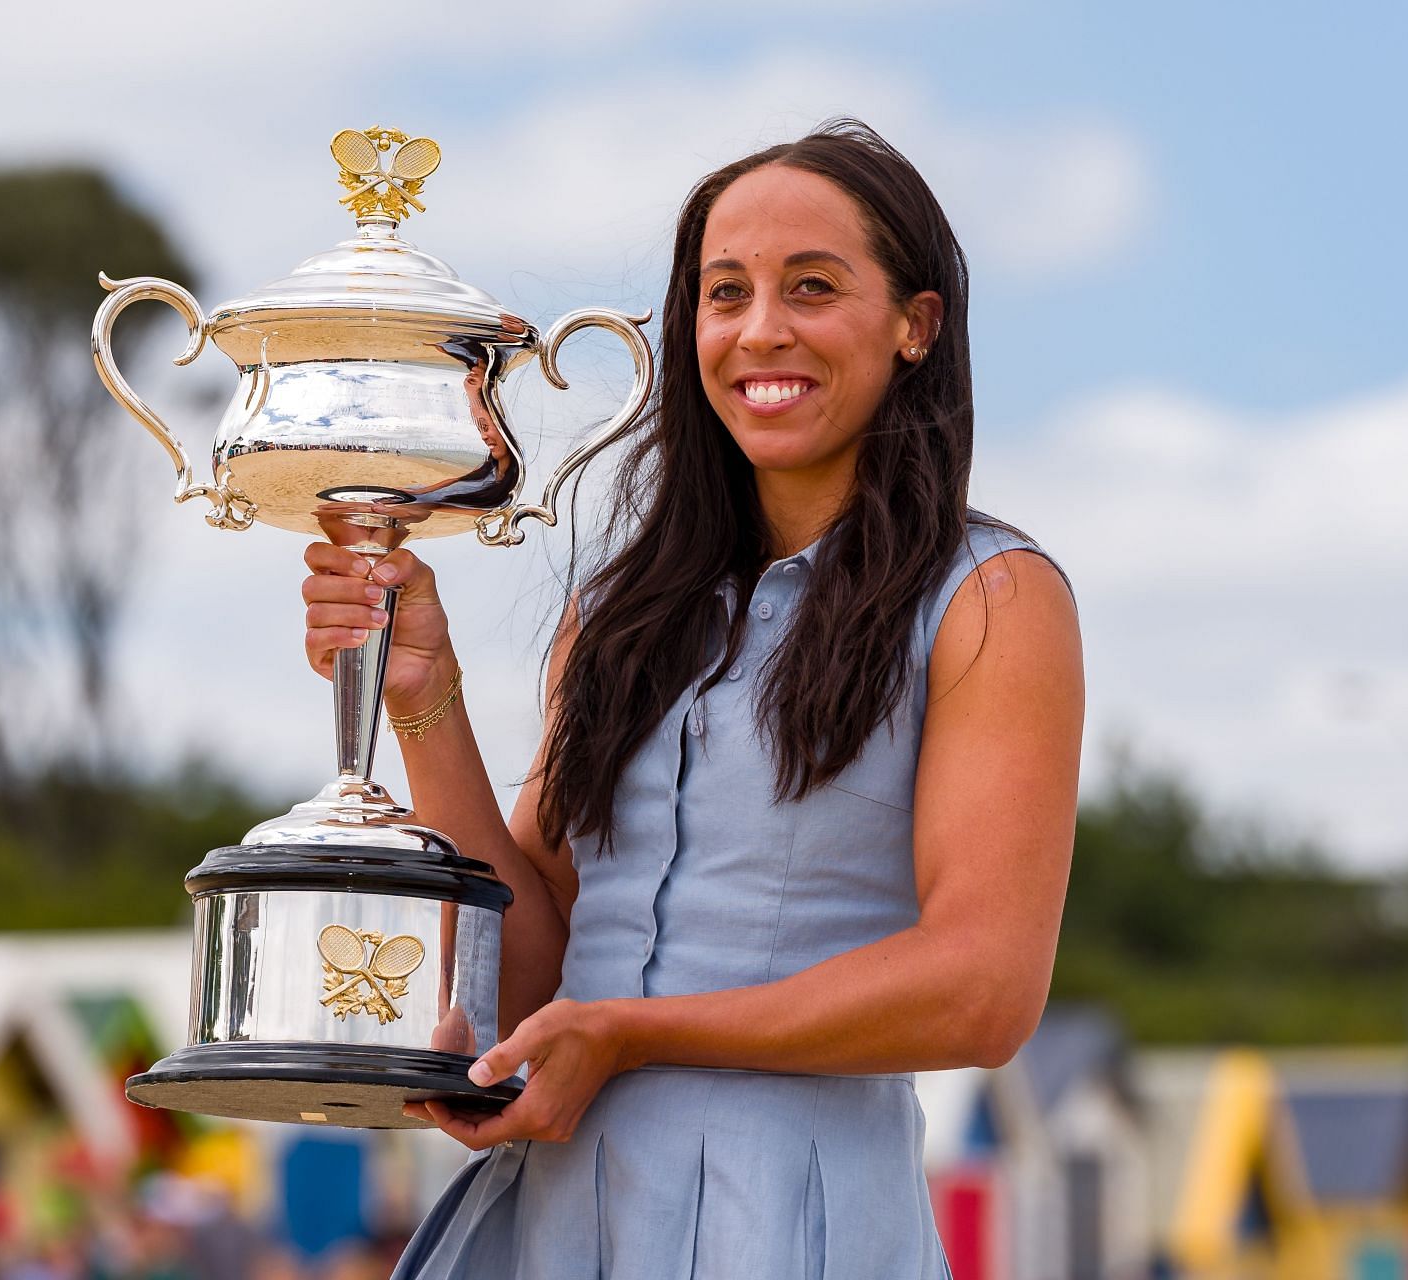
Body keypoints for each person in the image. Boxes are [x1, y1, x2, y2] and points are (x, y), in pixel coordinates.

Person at [299, 119, 1083, 1278]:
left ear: (915, 324)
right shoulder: (618, 614)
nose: (761, 329)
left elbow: (981, 990)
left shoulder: (992, 597)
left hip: (799, 1223)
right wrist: (426, 696)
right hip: (556, 1215)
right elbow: (532, 969)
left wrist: (625, 1032)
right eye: (727, 293)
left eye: (812, 288)